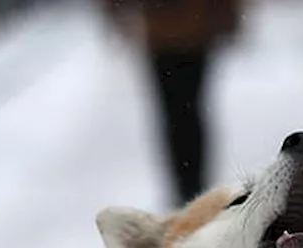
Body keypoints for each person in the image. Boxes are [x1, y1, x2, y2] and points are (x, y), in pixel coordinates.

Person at [100, 0, 244, 206]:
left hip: (176, 31)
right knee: (186, 112)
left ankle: (188, 187)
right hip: (185, 30)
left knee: (179, 113)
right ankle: (190, 187)